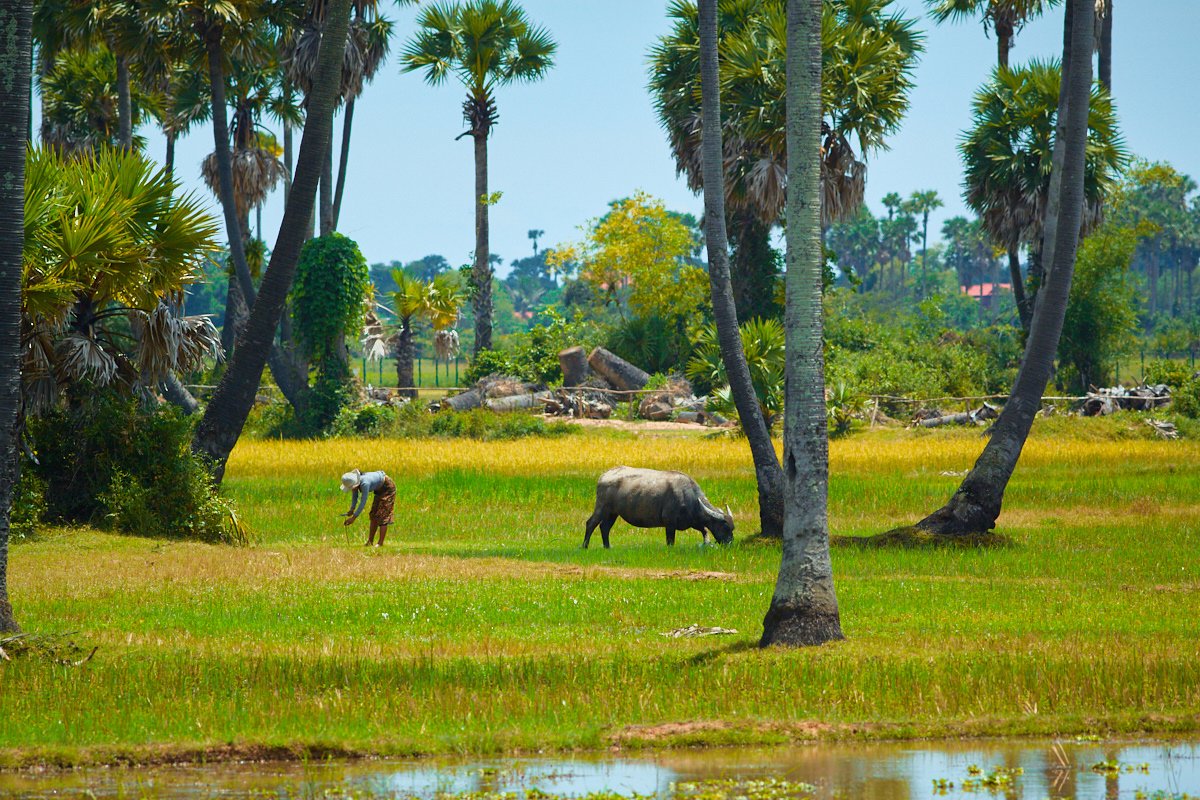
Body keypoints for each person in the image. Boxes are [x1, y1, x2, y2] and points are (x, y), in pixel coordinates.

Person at [340, 469, 396, 546]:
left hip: (387, 488)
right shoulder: (356, 483)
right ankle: (370, 542)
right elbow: (355, 496)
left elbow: (363, 502)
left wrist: (353, 518)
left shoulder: (365, 483)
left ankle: (380, 543)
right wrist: (351, 510)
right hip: (379, 491)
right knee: (373, 515)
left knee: (382, 515)